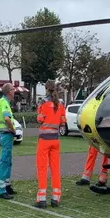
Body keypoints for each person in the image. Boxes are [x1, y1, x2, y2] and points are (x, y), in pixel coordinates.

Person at [35, 80, 66, 208]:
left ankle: (41, 199)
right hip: (55, 140)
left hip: (44, 140)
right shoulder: (60, 104)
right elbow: (63, 122)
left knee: (42, 169)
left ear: (46, 89)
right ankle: (55, 198)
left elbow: (39, 119)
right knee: (55, 169)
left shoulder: (43, 103)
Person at [0, 83, 16, 199]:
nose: (14, 91)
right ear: (9, 92)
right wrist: (13, 130)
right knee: (5, 161)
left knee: (8, 160)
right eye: (13, 89)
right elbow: (7, 118)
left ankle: (7, 185)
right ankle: (1, 189)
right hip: (7, 134)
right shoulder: (4, 103)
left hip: (3, 134)